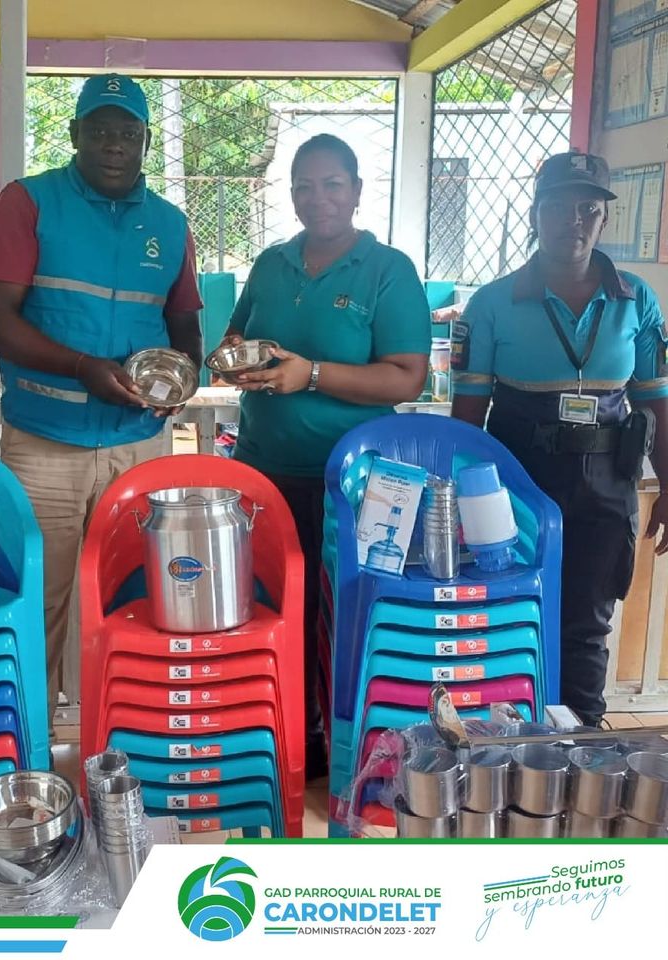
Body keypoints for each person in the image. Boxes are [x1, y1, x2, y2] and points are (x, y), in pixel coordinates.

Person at [0, 74, 203, 719]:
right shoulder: (28, 203)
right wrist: (80, 367)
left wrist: (182, 377)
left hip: (138, 447)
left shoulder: (169, 223)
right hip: (45, 447)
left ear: (146, 140)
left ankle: (122, 740)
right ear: (74, 134)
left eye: (128, 132)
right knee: (38, 601)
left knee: (133, 599)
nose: (114, 144)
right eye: (99, 130)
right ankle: (32, 741)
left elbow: (184, 325)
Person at [222, 134, 431, 778]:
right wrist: (234, 360)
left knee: (345, 614)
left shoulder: (387, 269)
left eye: (333, 184)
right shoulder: (271, 264)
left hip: (354, 483)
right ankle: (285, 737)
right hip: (265, 472)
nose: (319, 198)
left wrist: (311, 375)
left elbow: (407, 377)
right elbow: (236, 335)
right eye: (304, 186)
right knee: (272, 604)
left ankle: (349, 743)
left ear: (358, 191)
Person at [451, 150, 668, 727]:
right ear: (535, 214)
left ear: (604, 218)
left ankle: (582, 740)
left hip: (607, 483)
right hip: (517, 483)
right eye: (557, 207)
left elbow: (656, 401)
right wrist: (455, 501)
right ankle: (509, 735)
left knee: (588, 620)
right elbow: (467, 414)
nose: (573, 220)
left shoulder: (637, 299)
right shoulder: (492, 302)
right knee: (512, 607)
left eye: (588, 208)